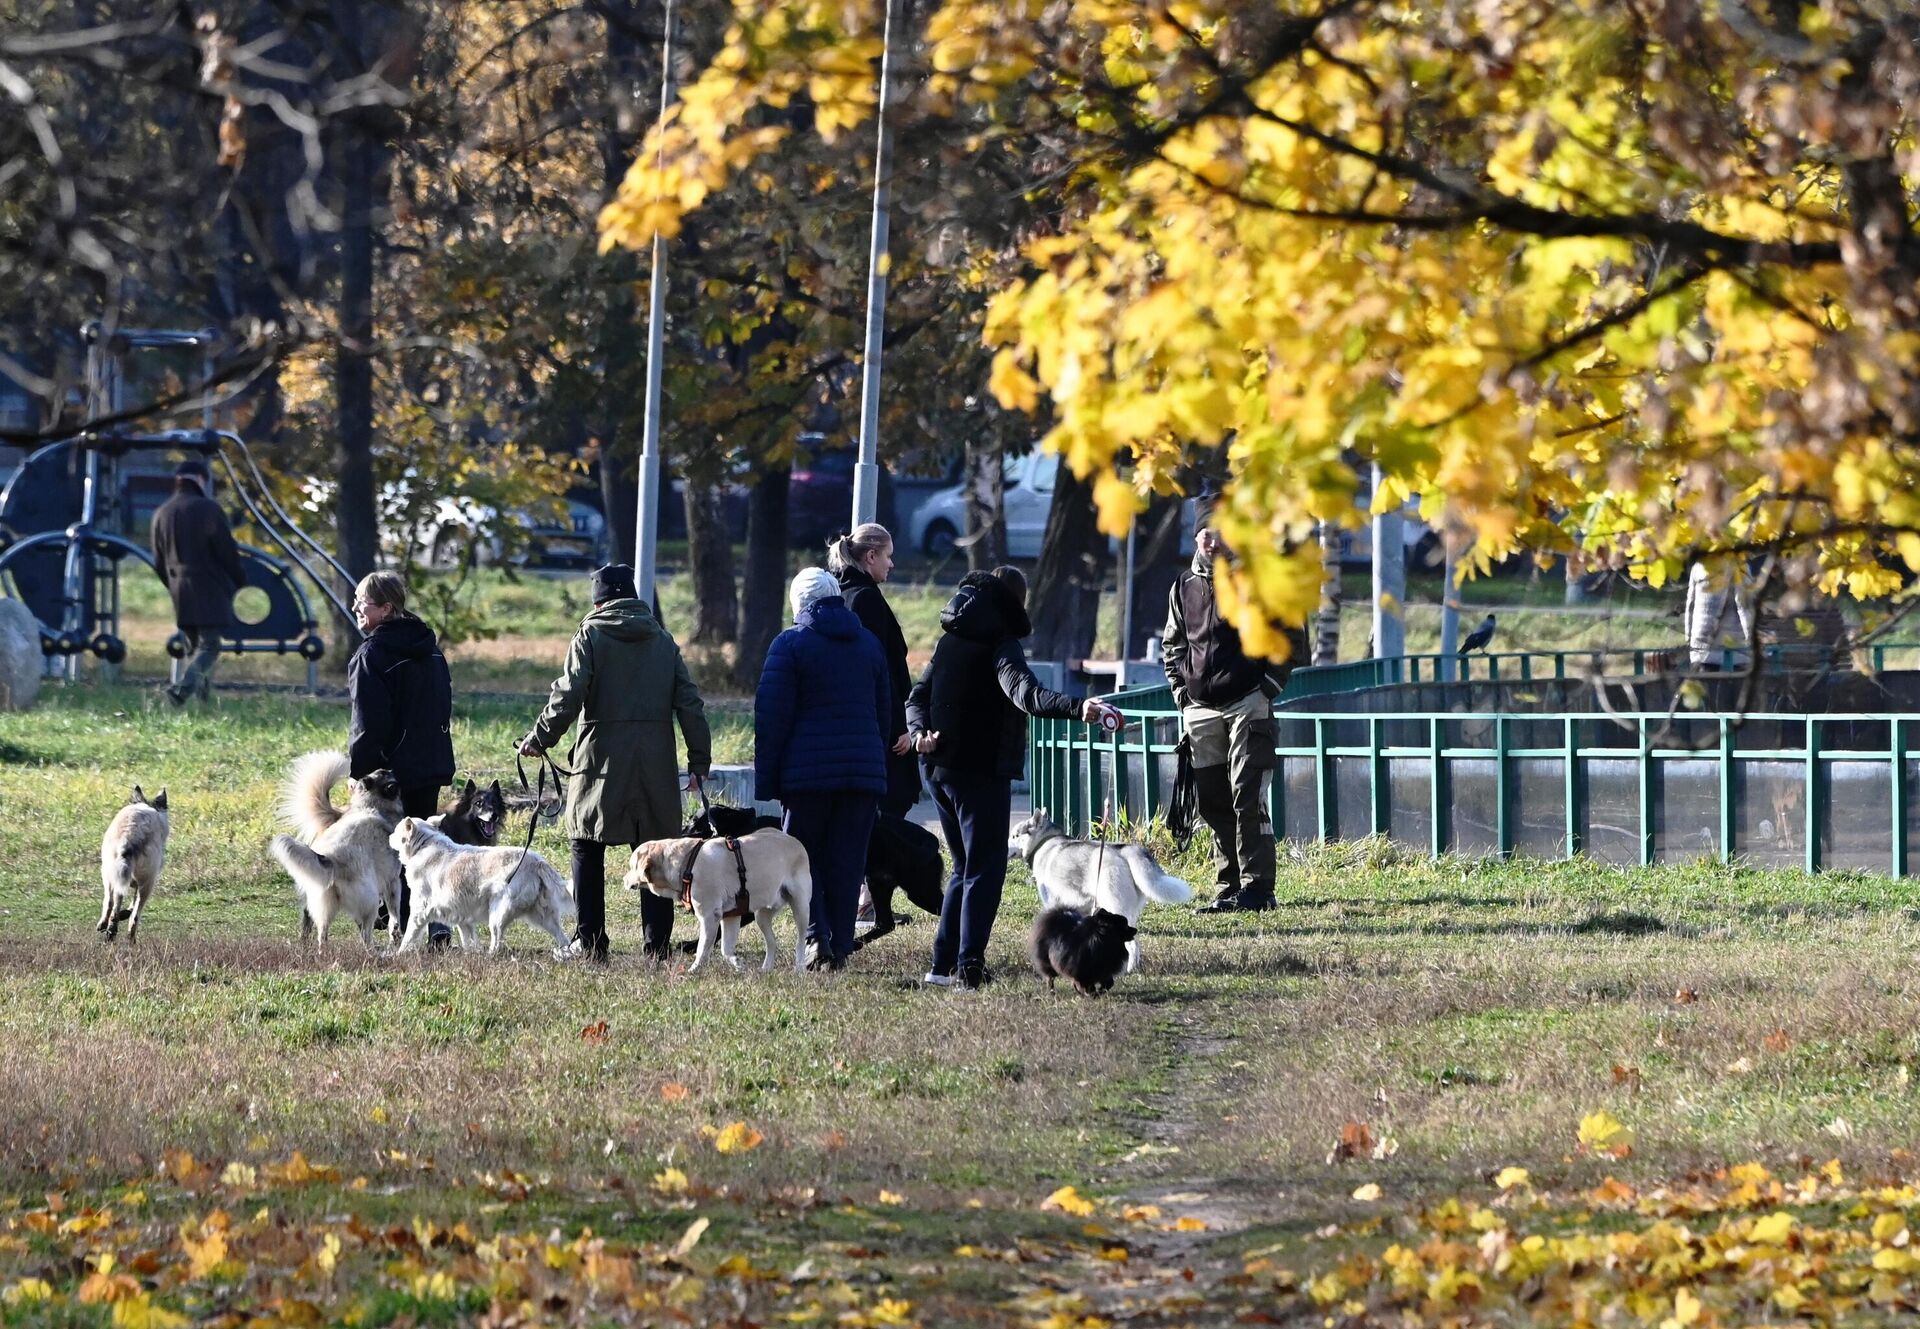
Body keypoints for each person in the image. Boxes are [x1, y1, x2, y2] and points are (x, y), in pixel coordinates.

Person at [906, 565, 1113, 990]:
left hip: (938, 771)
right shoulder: (1001, 645)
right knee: (984, 871)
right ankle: (969, 968)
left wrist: (917, 734)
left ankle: (941, 966)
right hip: (979, 772)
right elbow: (1026, 694)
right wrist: (1079, 708)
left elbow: (917, 697)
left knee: (964, 868)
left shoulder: (949, 640)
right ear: (1015, 602)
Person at [520, 564, 711, 962]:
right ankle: (656, 946)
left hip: (600, 759)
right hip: (655, 761)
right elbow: (690, 703)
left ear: (599, 600)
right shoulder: (662, 639)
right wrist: (699, 760)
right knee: (655, 849)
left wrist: (540, 739)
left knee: (586, 842)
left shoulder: (590, 634)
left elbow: (569, 694)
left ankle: (590, 942)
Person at [1161, 502, 1305, 913]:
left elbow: (1289, 638)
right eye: (1204, 532)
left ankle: (1258, 888)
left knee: (1247, 794)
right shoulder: (1183, 586)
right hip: (1200, 710)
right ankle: (1228, 885)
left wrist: (1267, 689)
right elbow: (1173, 645)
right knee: (1212, 800)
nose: (1211, 538)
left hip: (1248, 704)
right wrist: (1182, 695)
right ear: (1196, 538)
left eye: (1219, 531)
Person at [755, 567, 890, 969]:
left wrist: (769, 779)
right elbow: (884, 714)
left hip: (807, 778)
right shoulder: (868, 643)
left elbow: (772, 717)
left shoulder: (790, 644)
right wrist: (874, 764)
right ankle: (843, 944)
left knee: (800, 861)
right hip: (861, 777)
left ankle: (816, 937)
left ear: (798, 603)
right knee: (848, 862)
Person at [347, 571, 454, 944]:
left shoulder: (372, 654)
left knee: (395, 852)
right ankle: (437, 921)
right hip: (431, 762)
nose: (356, 607)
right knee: (427, 847)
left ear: (386, 608)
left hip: (390, 774)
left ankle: (406, 926)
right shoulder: (431, 648)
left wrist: (360, 772)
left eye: (363, 602)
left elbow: (367, 722)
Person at [829, 525, 919, 816]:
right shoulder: (866, 599)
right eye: (888, 556)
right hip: (883, 730)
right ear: (870, 556)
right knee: (888, 811)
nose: (891, 563)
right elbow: (881, 669)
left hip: (855, 726)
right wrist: (899, 727)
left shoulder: (840, 594)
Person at [150, 458, 247, 705]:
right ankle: (181, 691)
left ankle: (203, 702)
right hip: (209, 586)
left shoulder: (161, 513)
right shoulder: (208, 509)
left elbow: (158, 562)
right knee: (210, 646)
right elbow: (226, 550)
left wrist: (172, 585)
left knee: (193, 648)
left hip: (179, 589)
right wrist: (238, 579)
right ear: (201, 480)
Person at [1685, 559, 1756, 669]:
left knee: (1704, 683)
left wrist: (1689, 637)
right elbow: (1744, 606)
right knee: (1737, 684)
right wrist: (1751, 639)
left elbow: (1690, 604)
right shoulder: (1739, 566)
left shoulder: (1698, 565)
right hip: (1735, 648)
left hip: (1701, 645)